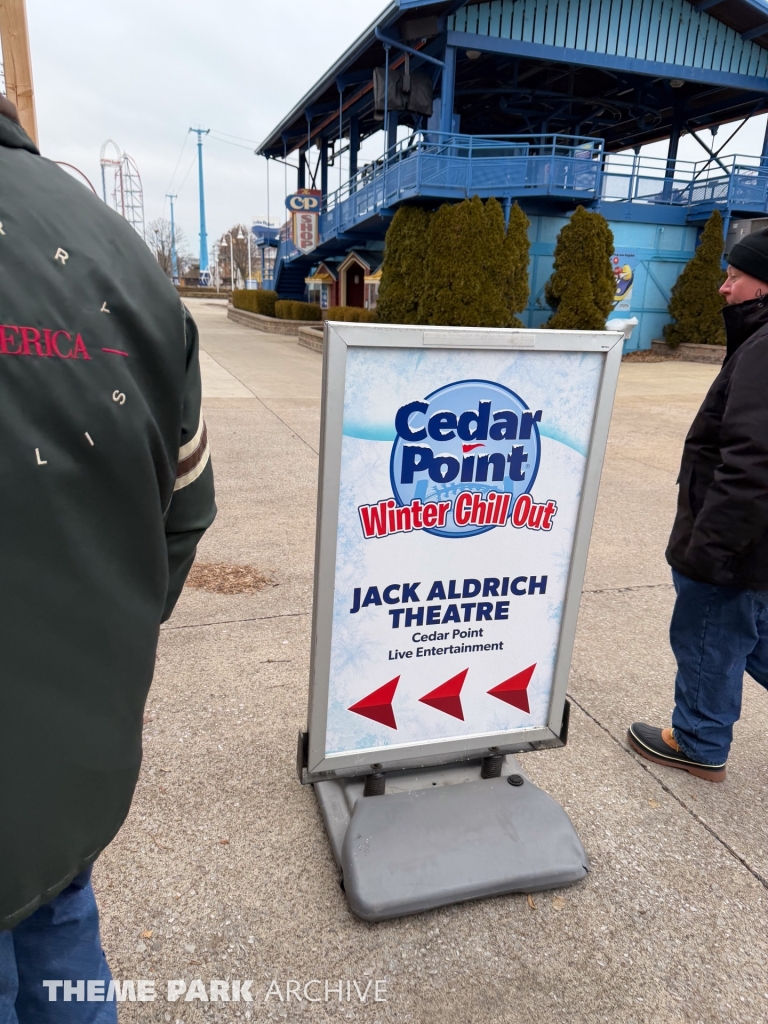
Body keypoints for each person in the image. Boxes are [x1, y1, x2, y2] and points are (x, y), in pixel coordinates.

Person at [0, 95, 216, 1019]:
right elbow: (185, 507)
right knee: (59, 927)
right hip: (72, 766)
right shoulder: (126, 255)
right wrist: (100, 633)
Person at [629, 226, 768, 783]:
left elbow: (753, 459)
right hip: (756, 542)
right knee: (751, 632)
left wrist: (709, 549)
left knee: (710, 633)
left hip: (734, 540)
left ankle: (699, 742)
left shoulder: (764, 349)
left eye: (734, 276)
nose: (723, 287)